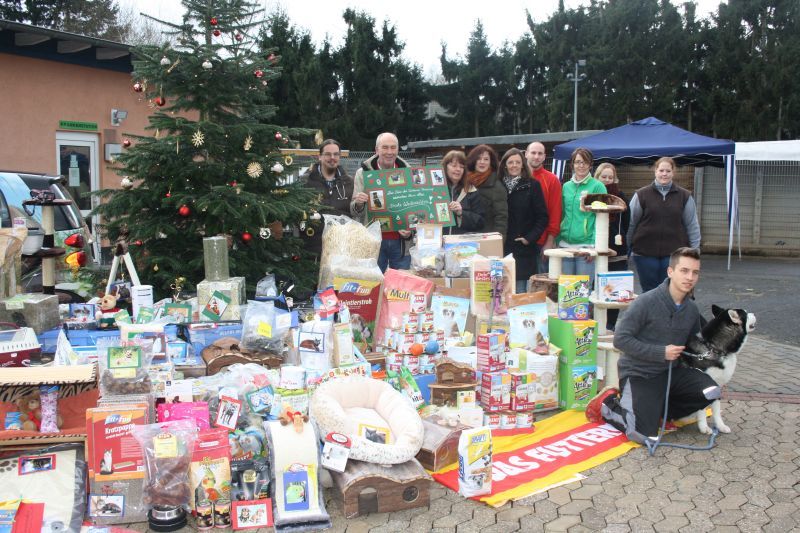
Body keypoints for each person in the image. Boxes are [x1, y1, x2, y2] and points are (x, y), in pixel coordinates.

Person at [586, 247, 720, 445]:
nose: (690, 277)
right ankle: (608, 405)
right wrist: (661, 352)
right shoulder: (646, 302)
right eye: (684, 271)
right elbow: (620, 340)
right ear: (670, 272)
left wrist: (710, 352)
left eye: (695, 272)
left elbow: (692, 344)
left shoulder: (691, 309)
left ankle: (657, 412)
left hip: (671, 373)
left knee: (712, 391)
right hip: (640, 374)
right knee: (644, 437)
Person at [627, 157, 701, 293]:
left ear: (673, 173)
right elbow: (631, 223)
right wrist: (626, 248)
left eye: (668, 171)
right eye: (661, 170)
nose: (664, 174)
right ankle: (651, 315)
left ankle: (669, 315)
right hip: (644, 254)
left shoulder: (685, 196)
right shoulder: (641, 195)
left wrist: (695, 252)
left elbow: (692, 226)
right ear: (655, 171)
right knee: (649, 292)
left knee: (671, 291)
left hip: (674, 255)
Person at [351, 132, 413, 271]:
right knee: (373, 285)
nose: (389, 152)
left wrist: (410, 229)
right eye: (385, 147)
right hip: (373, 241)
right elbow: (353, 210)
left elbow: (416, 207)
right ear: (376, 150)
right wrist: (359, 203)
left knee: (400, 287)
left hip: (401, 242)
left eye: (393, 147)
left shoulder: (409, 173)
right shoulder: (363, 173)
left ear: (398, 149)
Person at [499, 148, 548, 293]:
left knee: (520, 295)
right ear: (505, 165)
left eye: (517, 162)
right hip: (501, 247)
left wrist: (529, 238)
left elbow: (542, 216)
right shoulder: (498, 185)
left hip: (523, 250)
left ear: (523, 164)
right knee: (501, 293)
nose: (514, 165)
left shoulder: (533, 185)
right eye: (510, 162)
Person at [557, 147, 606, 282]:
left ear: (590, 164)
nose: (581, 165)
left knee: (583, 291)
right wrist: (557, 239)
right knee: (566, 290)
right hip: (564, 245)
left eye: (585, 162)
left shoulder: (598, 186)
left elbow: (601, 217)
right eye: (578, 162)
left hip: (586, 247)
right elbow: (562, 214)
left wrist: (594, 246)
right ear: (572, 164)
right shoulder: (566, 186)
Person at [300, 139, 354, 259]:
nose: (332, 157)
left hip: (341, 248)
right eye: (328, 154)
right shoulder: (305, 181)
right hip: (312, 248)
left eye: (336, 154)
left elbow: (354, 212)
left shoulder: (349, 182)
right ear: (319, 157)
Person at [595, 162, 630, 329]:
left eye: (611, 177)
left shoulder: (622, 196)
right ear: (597, 177)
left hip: (618, 252)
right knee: (597, 291)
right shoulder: (593, 196)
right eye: (604, 177)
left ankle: (610, 325)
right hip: (597, 251)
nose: (608, 180)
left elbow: (628, 222)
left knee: (615, 291)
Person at [525, 142, 562, 273]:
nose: (536, 157)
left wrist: (549, 242)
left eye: (540, 153)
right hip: (520, 242)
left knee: (541, 285)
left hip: (542, 242)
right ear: (526, 154)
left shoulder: (552, 180)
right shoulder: (517, 178)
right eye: (533, 153)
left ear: (545, 157)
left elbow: (555, 213)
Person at [465, 144, 508, 237]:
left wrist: (498, 241)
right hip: (465, 237)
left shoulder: (497, 186)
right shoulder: (465, 182)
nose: (482, 162)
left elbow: (501, 218)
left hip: (487, 239)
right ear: (473, 160)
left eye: (486, 159)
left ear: (490, 162)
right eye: (479, 158)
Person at [442, 150, 485, 235]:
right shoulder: (435, 190)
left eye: (461, 167)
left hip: (462, 244)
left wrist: (461, 213)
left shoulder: (471, 191)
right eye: (454, 165)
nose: (458, 169)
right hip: (438, 243)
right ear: (445, 167)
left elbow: (481, 223)